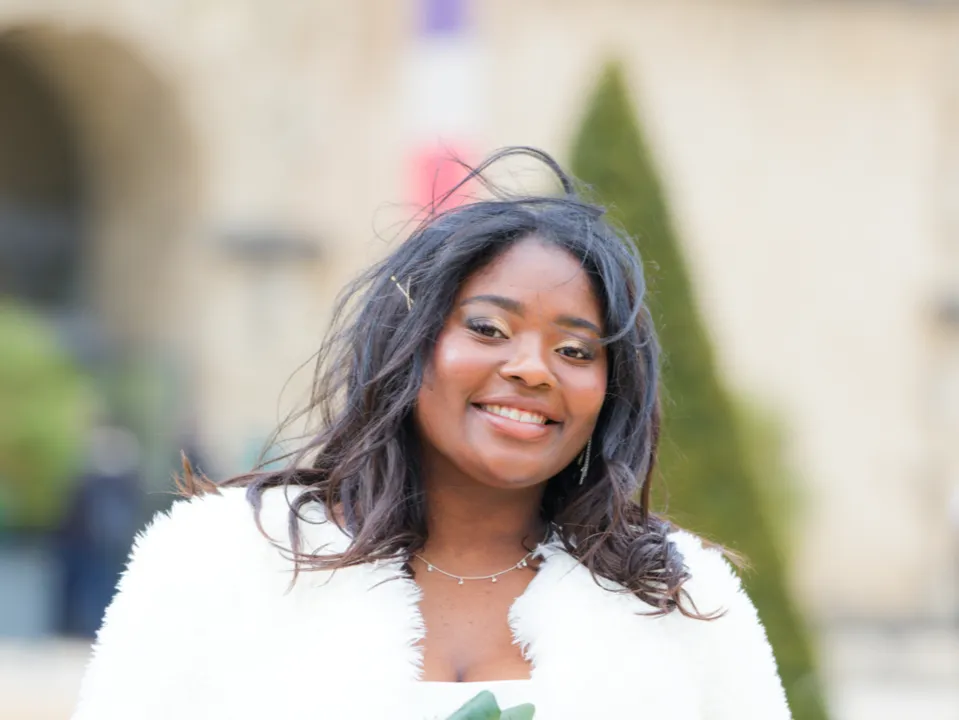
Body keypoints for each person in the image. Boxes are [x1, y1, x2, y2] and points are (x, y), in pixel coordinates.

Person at [71, 148, 791, 719]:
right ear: (409, 342)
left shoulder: (679, 598)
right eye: (489, 328)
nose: (532, 368)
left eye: (576, 350)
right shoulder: (219, 562)